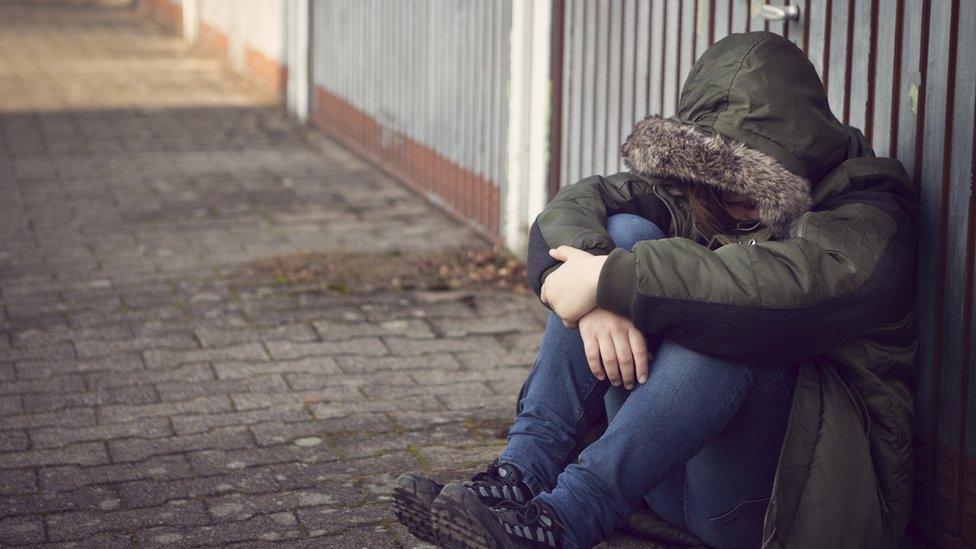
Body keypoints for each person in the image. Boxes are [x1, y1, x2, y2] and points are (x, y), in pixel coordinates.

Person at [392, 31, 917, 549]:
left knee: (725, 318)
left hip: (773, 507)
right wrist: (598, 303)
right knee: (621, 234)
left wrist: (610, 282)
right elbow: (578, 205)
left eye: (754, 179)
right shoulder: (691, 193)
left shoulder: (866, 211)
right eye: (719, 178)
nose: (732, 197)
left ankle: (565, 520)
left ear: (798, 154)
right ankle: (519, 478)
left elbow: (779, 292)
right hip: (663, 483)